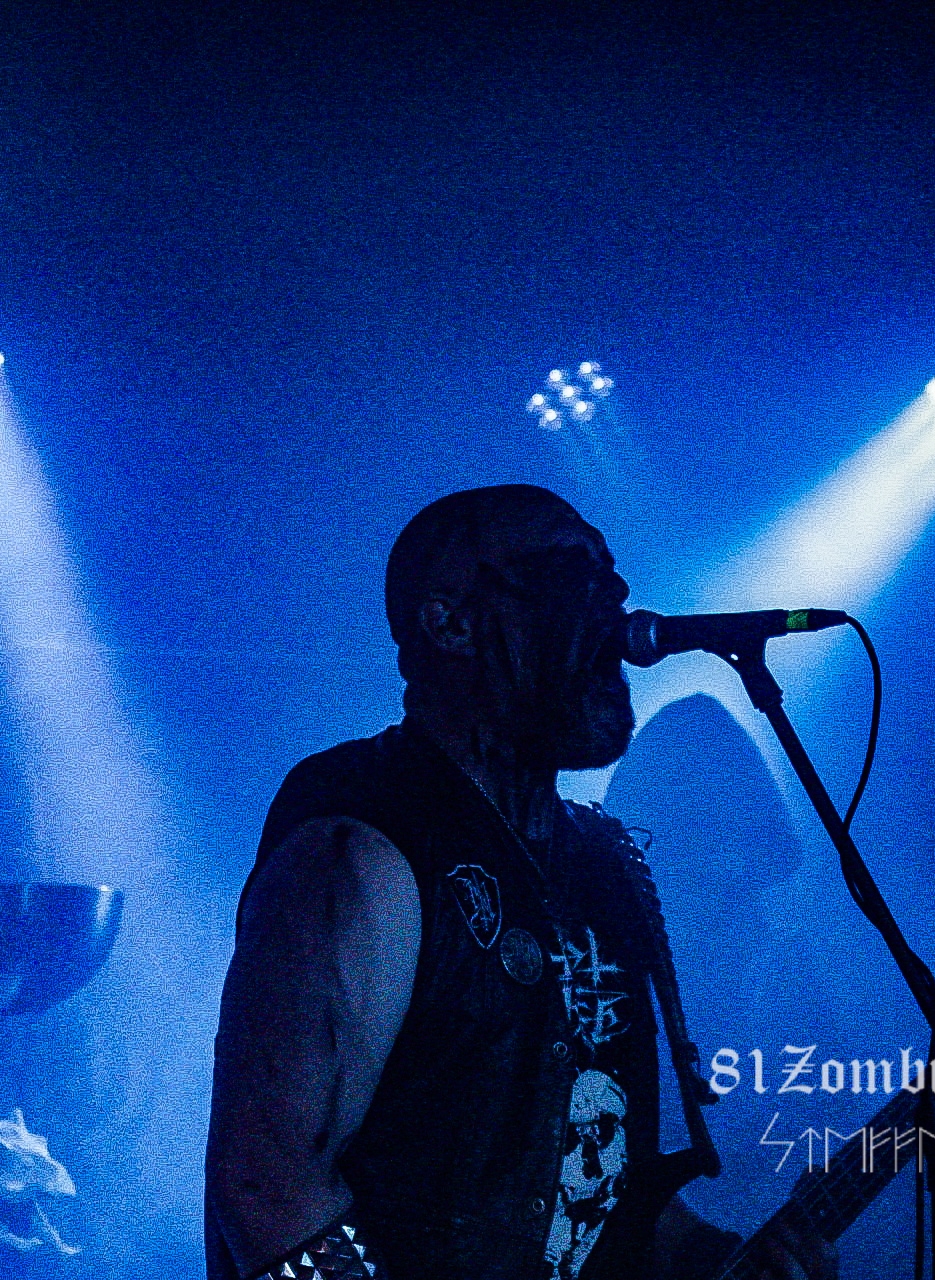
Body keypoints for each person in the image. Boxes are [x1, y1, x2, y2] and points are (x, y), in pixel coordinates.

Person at [205, 485, 837, 1280]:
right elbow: (268, 1189)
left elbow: (602, 1197)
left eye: (611, 575)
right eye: (570, 572)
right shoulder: (361, 843)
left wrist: (728, 1262)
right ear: (451, 622)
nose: (613, 598)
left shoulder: (603, 864)